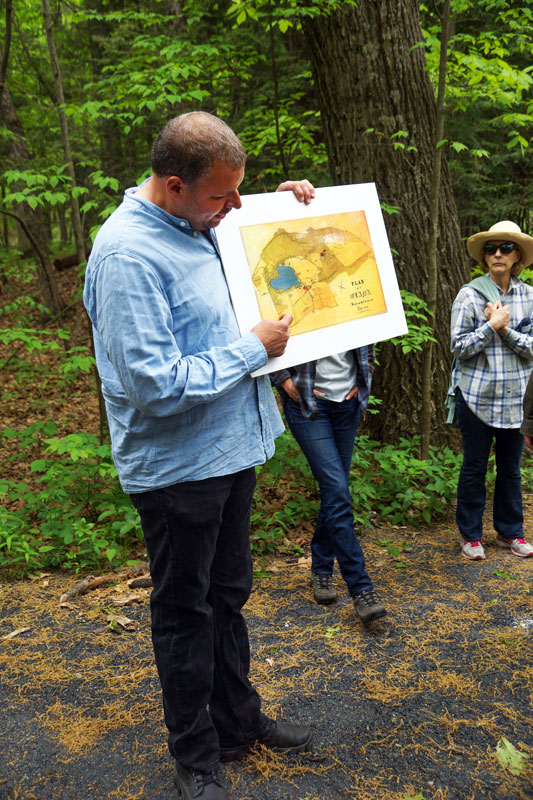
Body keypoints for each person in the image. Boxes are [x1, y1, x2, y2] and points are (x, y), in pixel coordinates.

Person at [83, 111, 316, 800]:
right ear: (174, 184)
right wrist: (254, 350)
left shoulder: (202, 220)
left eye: (238, 193)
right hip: (180, 468)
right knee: (185, 611)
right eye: (223, 196)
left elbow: (259, 258)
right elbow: (155, 388)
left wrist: (286, 210)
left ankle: (238, 724)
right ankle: (195, 757)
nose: (232, 206)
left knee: (227, 599)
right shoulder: (128, 256)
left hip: (233, 449)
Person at [271, 349, 387, 625]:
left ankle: (321, 566)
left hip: (347, 403)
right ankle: (361, 588)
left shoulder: (354, 301)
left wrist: (363, 380)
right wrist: (284, 381)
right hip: (308, 403)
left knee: (336, 492)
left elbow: (369, 335)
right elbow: (265, 329)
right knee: (337, 491)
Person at [449, 220, 533, 561]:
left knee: (511, 469)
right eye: (491, 249)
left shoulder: (529, 297)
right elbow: (458, 347)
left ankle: (510, 532)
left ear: (518, 257)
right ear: (484, 258)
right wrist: (489, 327)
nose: (498, 254)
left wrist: (505, 331)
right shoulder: (468, 295)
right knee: (474, 466)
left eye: (506, 248)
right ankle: (470, 536)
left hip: (517, 400)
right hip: (476, 397)